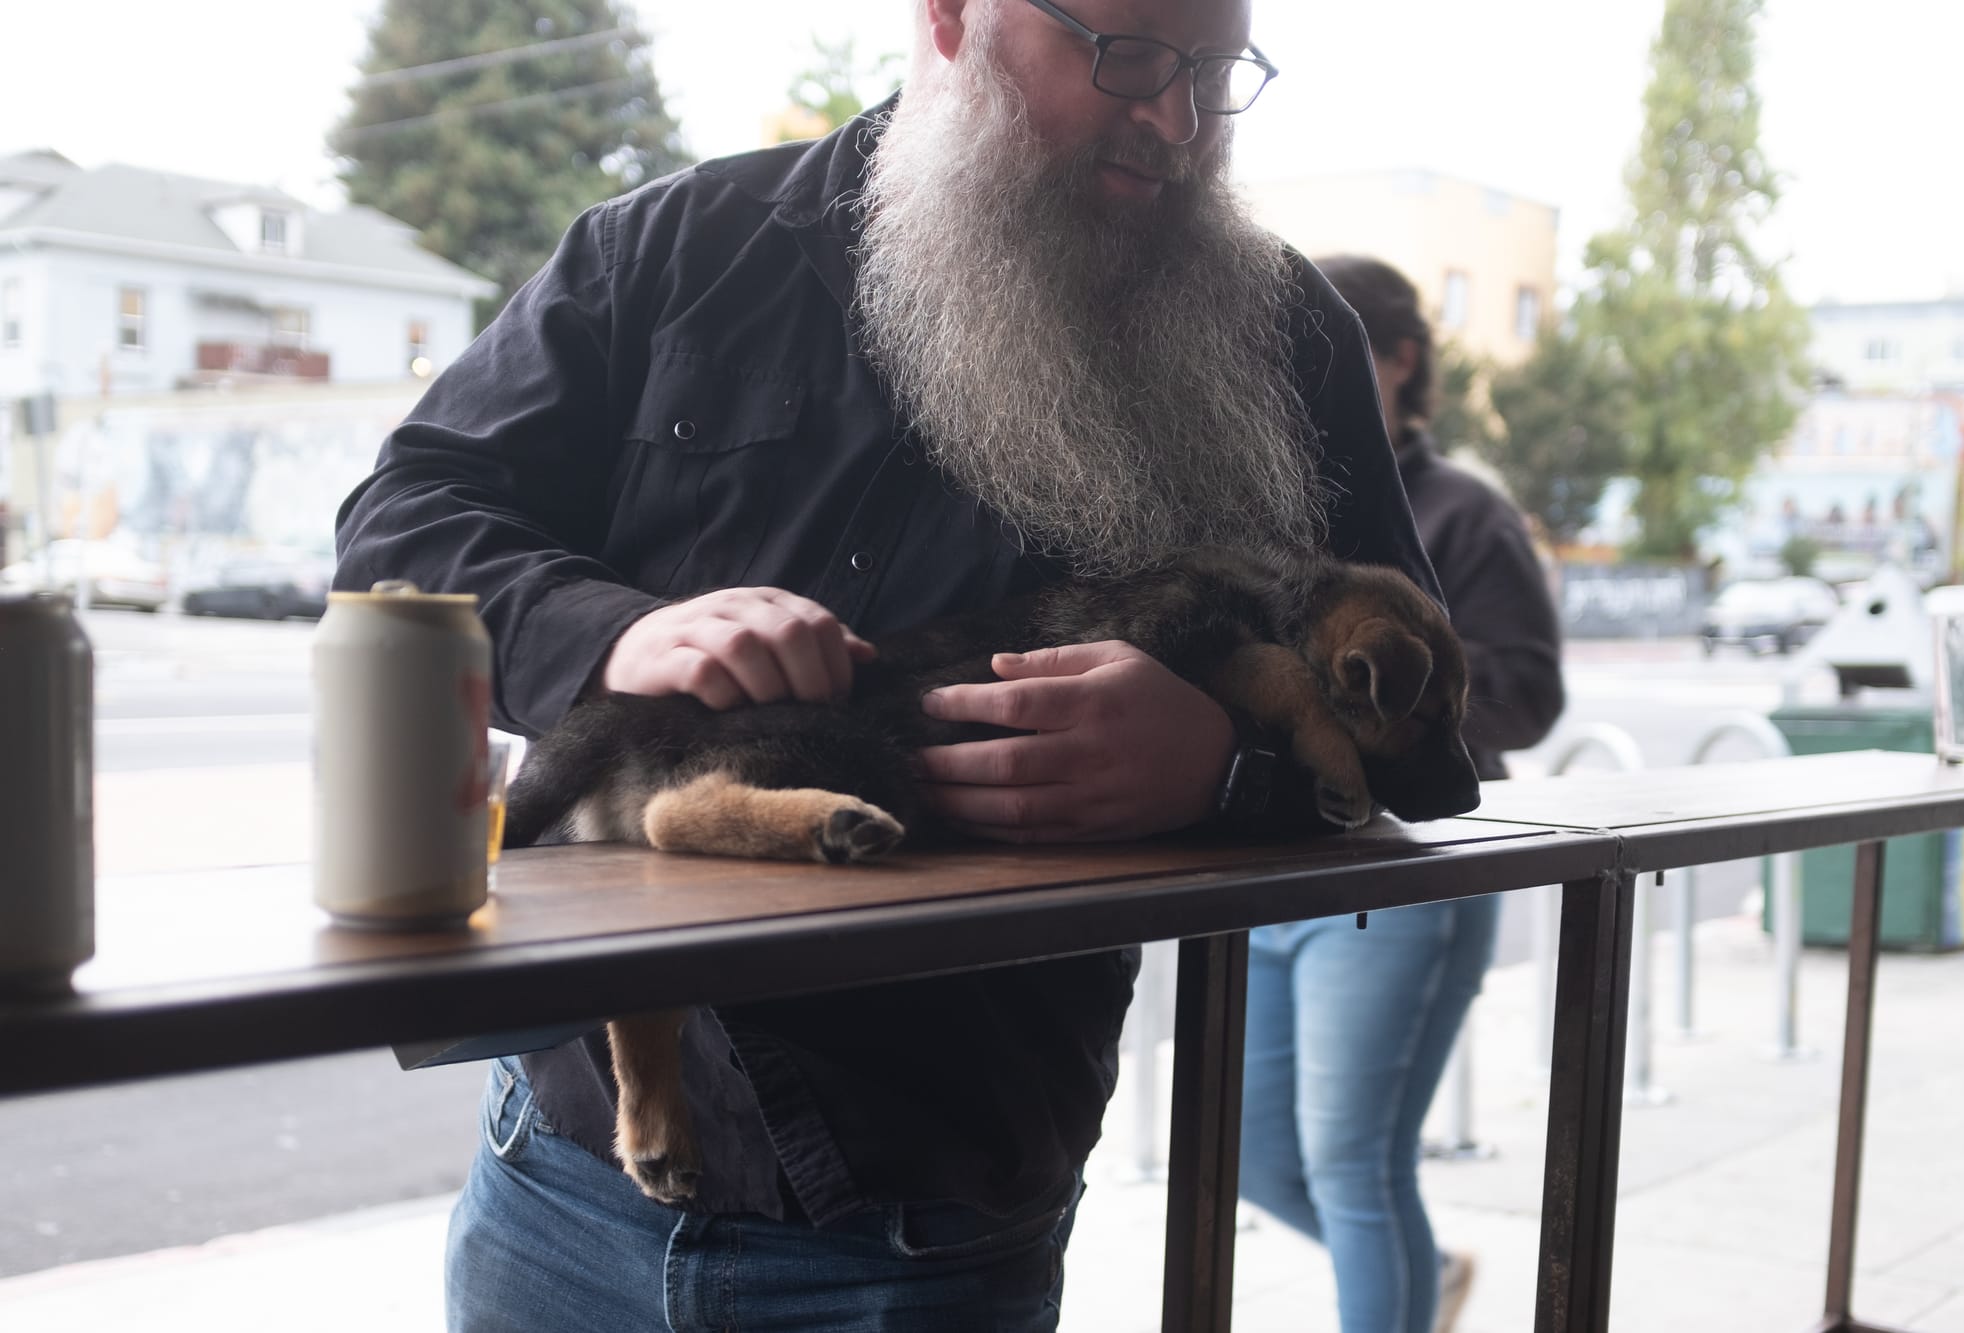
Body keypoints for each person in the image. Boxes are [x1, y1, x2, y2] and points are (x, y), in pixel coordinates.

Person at [335, 3, 1446, 1329]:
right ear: (953, 14)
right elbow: (402, 524)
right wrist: (612, 633)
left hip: (931, 1225)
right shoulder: (673, 247)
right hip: (561, 1175)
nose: (1179, 117)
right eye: (1129, 53)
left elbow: (1428, 748)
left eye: (1216, 69)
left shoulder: (1287, 337)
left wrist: (1225, 768)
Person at [1237, 255, 1565, 1333]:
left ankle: (1403, 1290)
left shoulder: (1464, 511)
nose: (1304, 382)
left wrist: (1386, 702)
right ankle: (1426, 1278)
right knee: (1250, 1151)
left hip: (1403, 877)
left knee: (1354, 1167)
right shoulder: (1267, 500)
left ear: (1401, 363)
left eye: (1332, 354)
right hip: (1270, 870)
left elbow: (1526, 692)